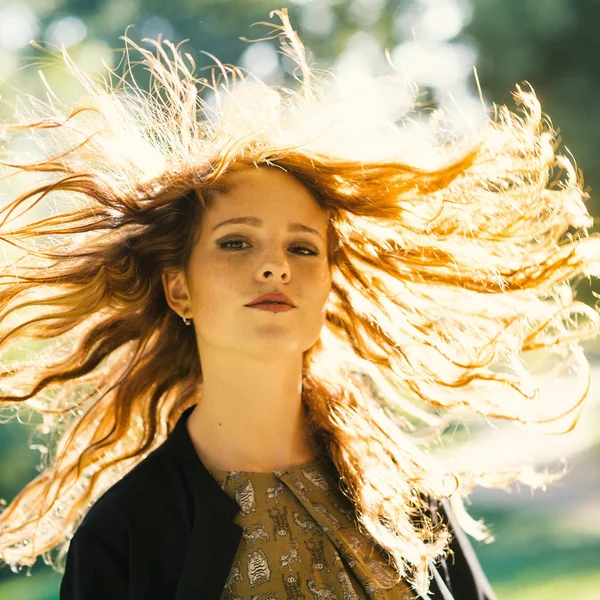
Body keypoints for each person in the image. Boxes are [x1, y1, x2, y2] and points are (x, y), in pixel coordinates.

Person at [0, 8, 598, 600]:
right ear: (178, 287)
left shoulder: (402, 495)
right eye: (237, 242)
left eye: (303, 247)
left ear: (326, 287)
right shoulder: (126, 532)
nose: (276, 265)